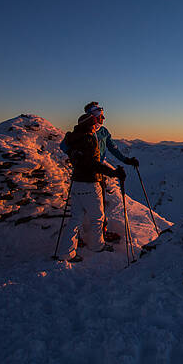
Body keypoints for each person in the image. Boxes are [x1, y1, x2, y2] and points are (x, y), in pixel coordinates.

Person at [57, 111, 127, 263]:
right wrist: (114, 173)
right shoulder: (89, 139)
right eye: (95, 123)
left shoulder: (74, 139)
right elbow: (93, 164)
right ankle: (97, 246)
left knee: (75, 219)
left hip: (76, 183)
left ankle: (65, 253)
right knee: (97, 218)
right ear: (90, 124)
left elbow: (77, 157)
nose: (98, 125)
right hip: (90, 184)